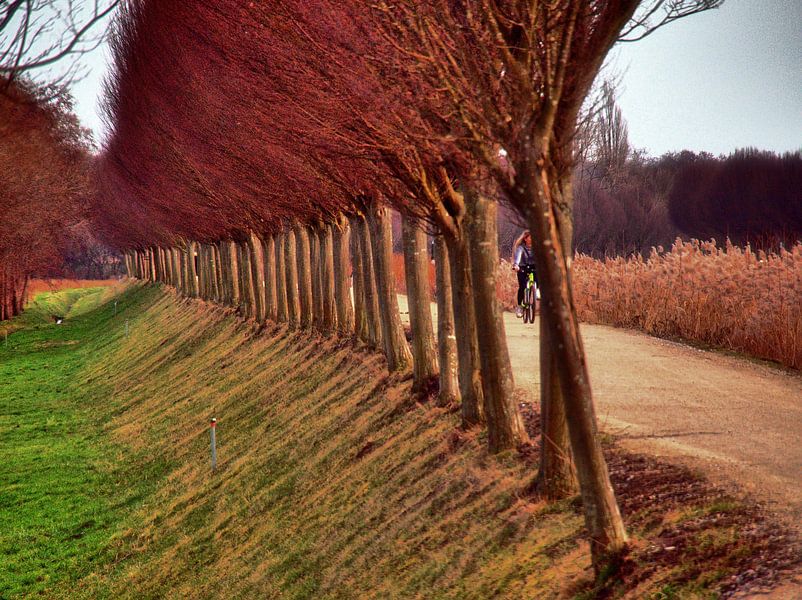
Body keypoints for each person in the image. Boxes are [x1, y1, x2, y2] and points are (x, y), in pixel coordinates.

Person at [512, 230, 537, 318]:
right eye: (530, 237)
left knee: (539, 277)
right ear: (526, 239)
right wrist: (516, 265)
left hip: (534, 267)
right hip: (522, 268)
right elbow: (518, 256)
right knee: (522, 287)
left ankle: (536, 291)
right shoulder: (521, 248)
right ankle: (519, 307)